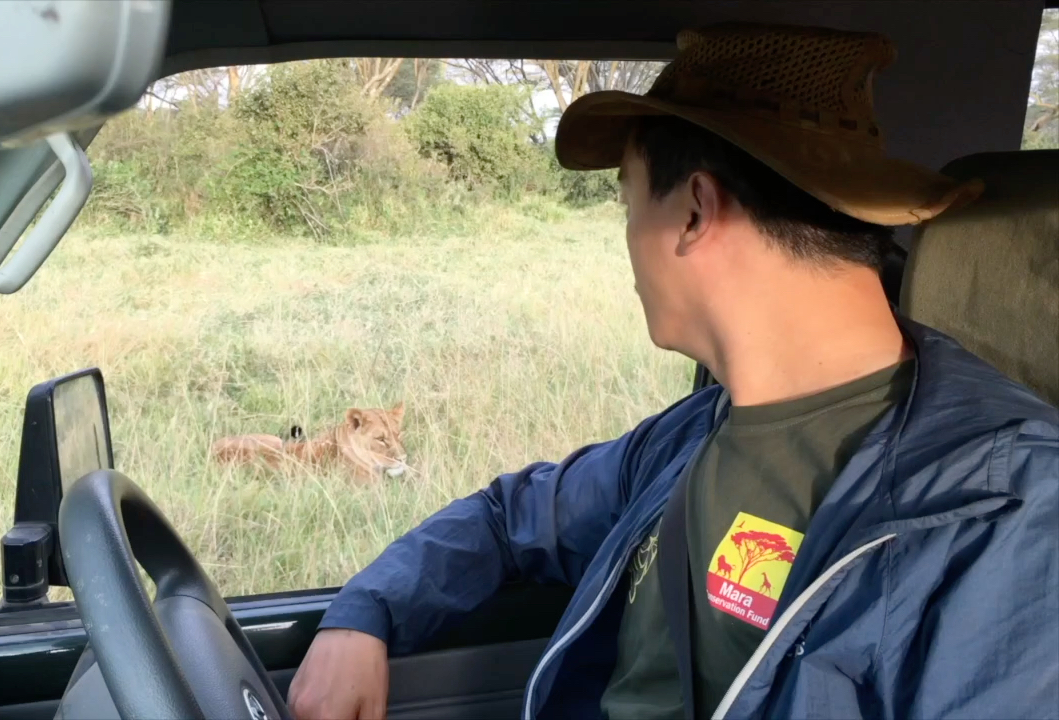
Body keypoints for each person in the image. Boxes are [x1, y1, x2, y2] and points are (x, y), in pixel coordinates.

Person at [287, 22, 1059, 720]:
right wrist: (365, 612)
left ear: (693, 212)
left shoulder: (1011, 515)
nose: (627, 245)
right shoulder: (695, 432)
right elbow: (508, 518)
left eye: (629, 204)